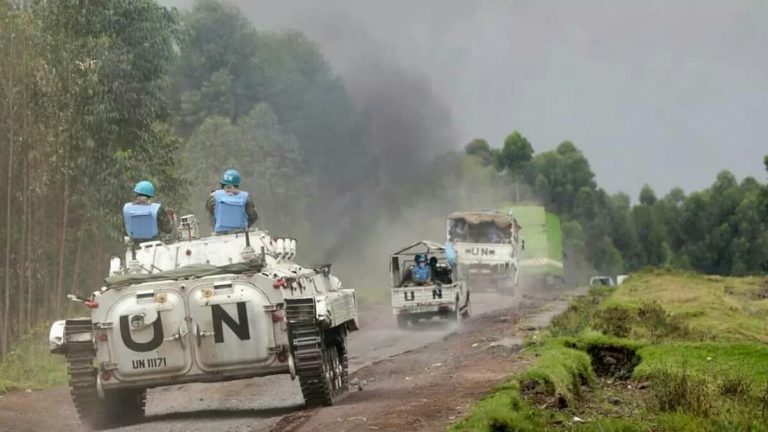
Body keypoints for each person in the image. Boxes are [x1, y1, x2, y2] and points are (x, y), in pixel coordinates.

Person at [205, 169, 258, 234]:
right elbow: (254, 217)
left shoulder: (214, 196)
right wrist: (245, 227)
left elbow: (210, 211)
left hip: (220, 234)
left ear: (223, 184)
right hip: (241, 233)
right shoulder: (246, 197)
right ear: (238, 184)